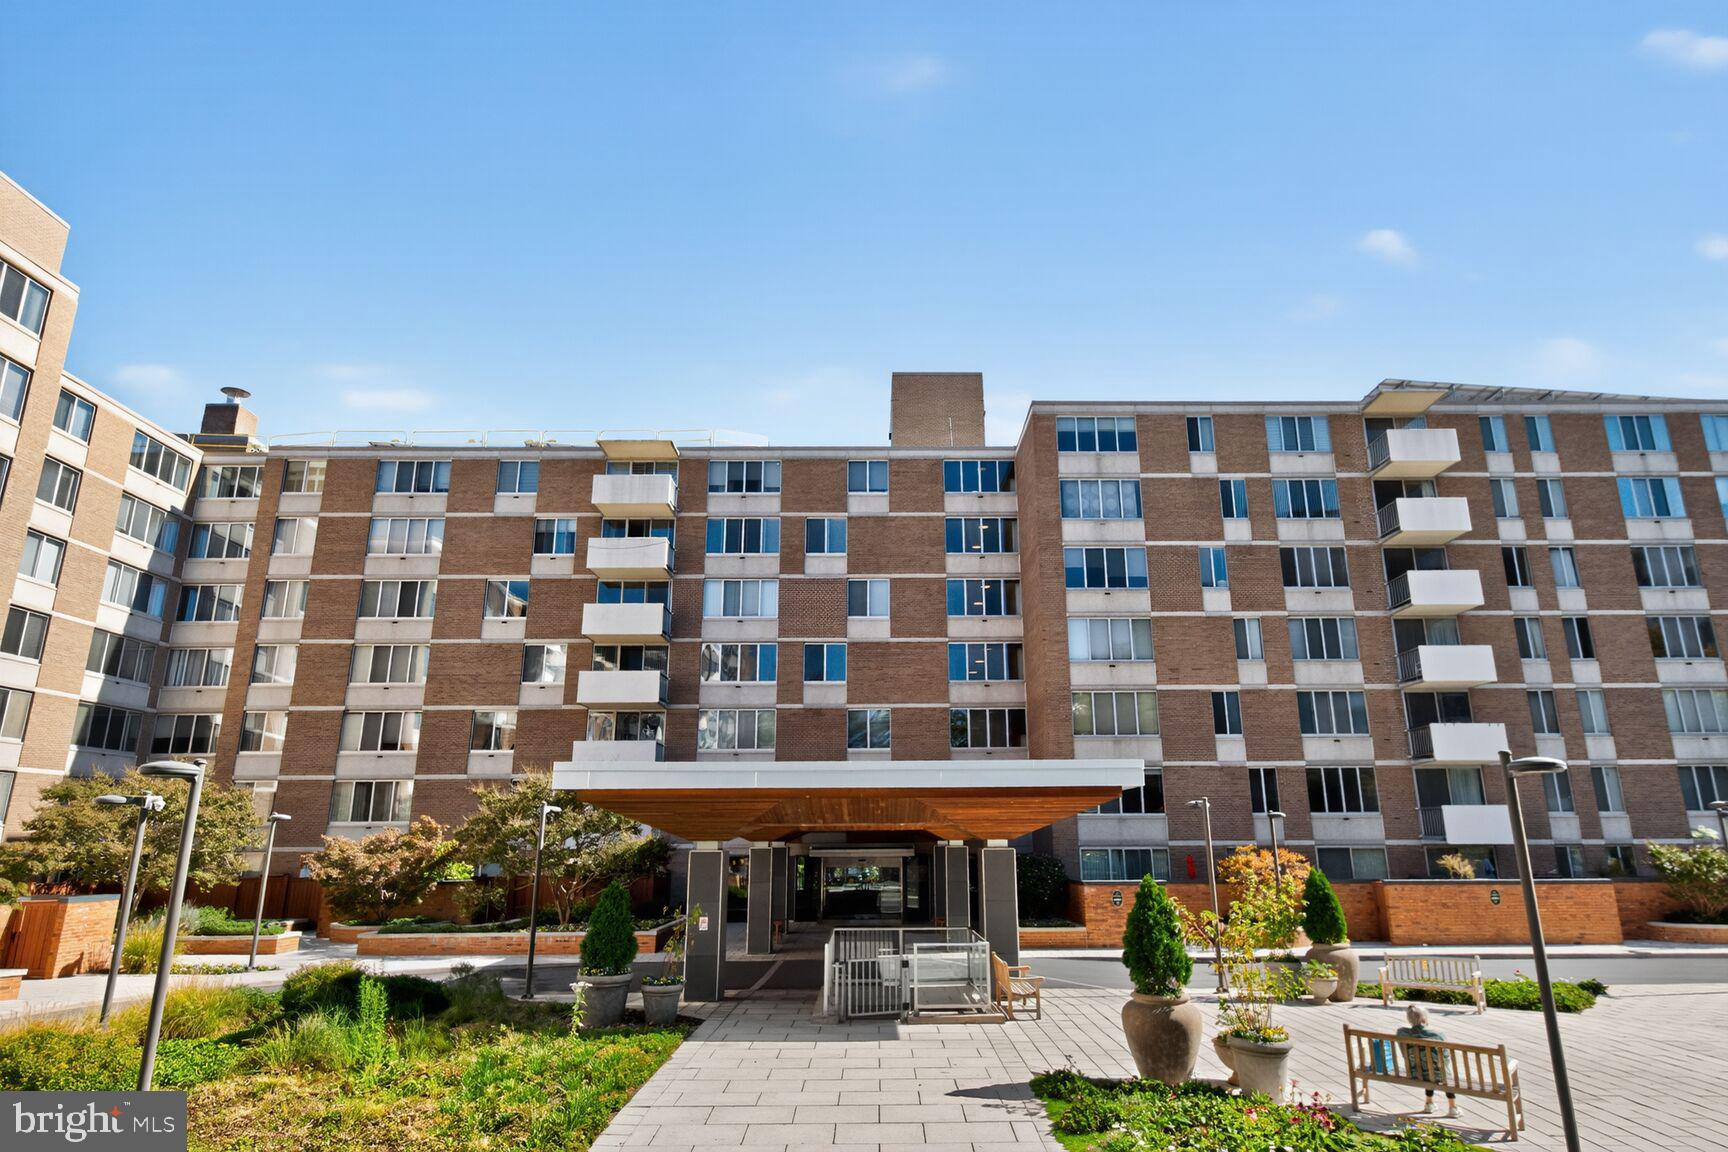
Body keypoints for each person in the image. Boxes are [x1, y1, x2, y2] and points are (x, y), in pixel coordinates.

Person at [1395, 1003, 1458, 1117]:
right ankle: (1452, 1107)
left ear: (1409, 1019)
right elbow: (1445, 1058)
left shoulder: (1402, 1033)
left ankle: (1429, 1104)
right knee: (1441, 1070)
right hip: (1438, 1074)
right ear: (1424, 1018)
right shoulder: (1437, 1035)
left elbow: (1402, 1032)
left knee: (1425, 1067)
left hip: (1415, 1072)